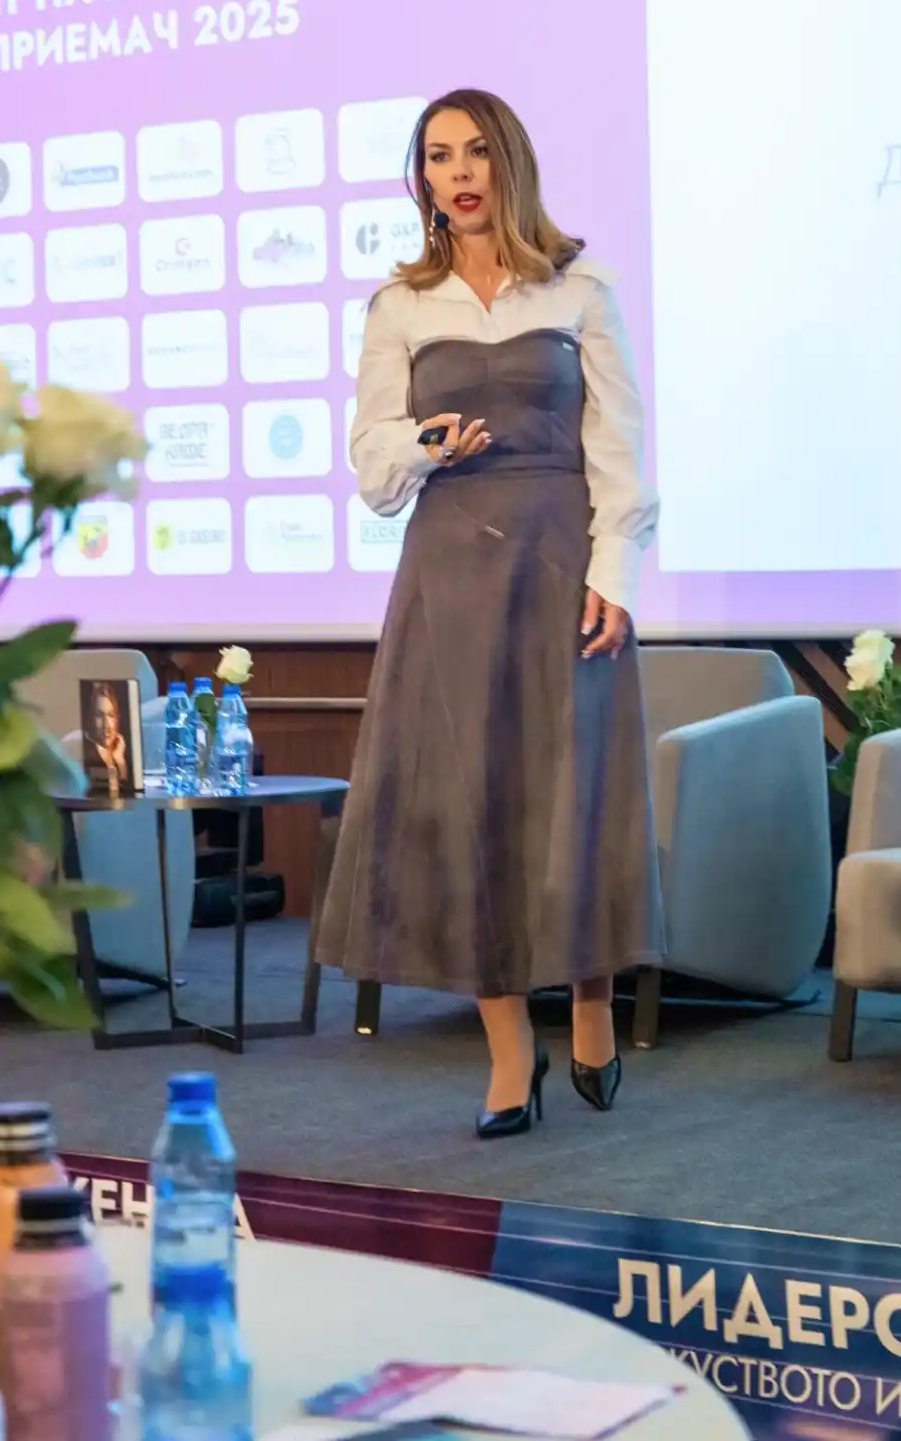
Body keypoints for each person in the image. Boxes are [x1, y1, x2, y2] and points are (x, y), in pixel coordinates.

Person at [317, 87, 663, 1137]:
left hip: (561, 565)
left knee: (574, 795)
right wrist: (425, 445)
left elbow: (619, 450)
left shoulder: (581, 289)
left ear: (508, 164)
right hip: (450, 575)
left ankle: (592, 1004)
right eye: (437, 156)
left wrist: (614, 574)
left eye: (473, 152)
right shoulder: (399, 305)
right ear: (420, 178)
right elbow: (372, 465)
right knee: (468, 808)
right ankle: (511, 1056)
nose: (457, 173)